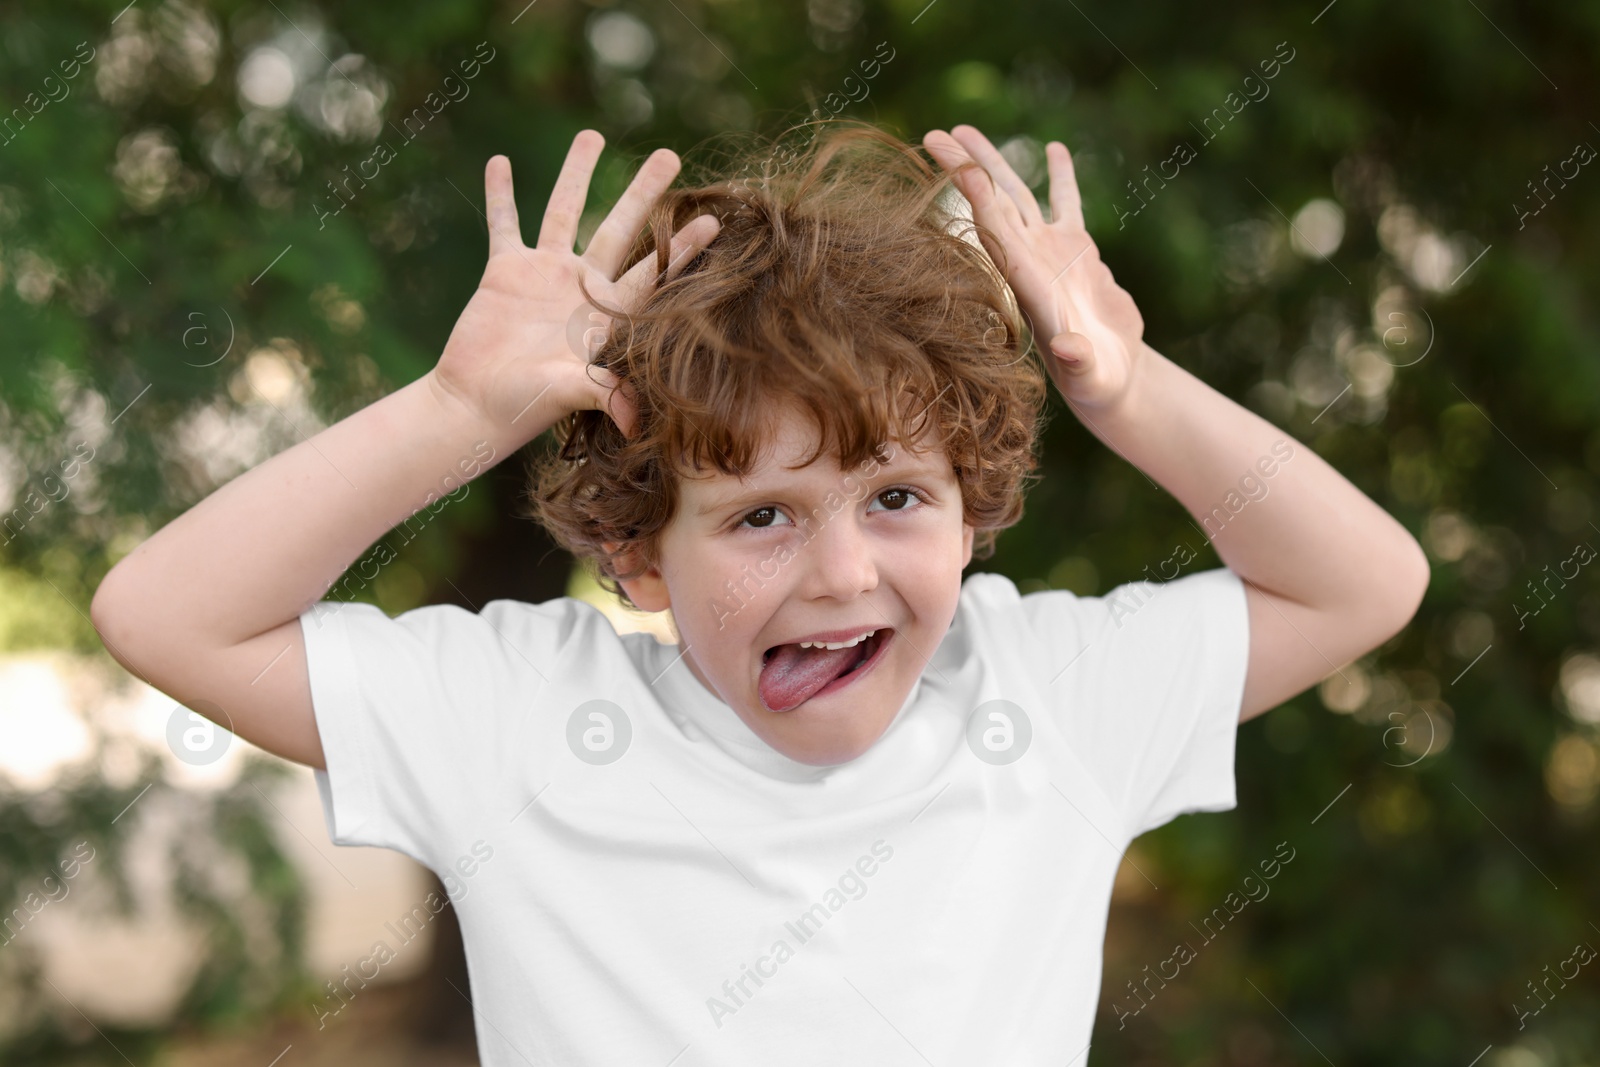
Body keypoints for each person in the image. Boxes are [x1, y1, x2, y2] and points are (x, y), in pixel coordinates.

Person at [90, 119, 1429, 1065]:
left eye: (896, 498)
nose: (842, 574)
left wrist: (1128, 390)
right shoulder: (525, 721)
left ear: (974, 517)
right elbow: (164, 615)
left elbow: (1365, 584)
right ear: (636, 555)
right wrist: (455, 413)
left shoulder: (1048, 696)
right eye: (762, 516)